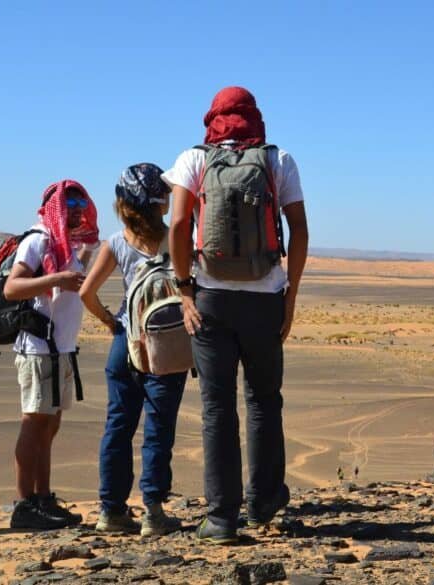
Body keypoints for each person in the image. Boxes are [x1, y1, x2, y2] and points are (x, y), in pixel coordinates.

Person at [166, 86, 309, 544]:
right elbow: (300, 229)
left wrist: (185, 291)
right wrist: (290, 295)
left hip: (210, 299)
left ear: (212, 117)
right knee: (264, 400)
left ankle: (222, 518)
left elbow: (177, 226)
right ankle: (264, 500)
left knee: (217, 408)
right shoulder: (278, 159)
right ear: (255, 117)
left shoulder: (194, 159)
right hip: (264, 296)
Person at [79, 164, 188, 536]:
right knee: (158, 429)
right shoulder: (176, 240)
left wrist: (113, 323)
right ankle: (153, 513)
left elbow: (85, 294)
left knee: (118, 426)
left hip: (124, 345)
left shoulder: (116, 243)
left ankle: (111, 511)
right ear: (160, 203)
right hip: (165, 345)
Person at [3, 180, 98, 529]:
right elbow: (13, 288)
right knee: (35, 421)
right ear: (53, 205)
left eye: (80, 200)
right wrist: (58, 277)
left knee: (50, 424)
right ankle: (24, 505)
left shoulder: (61, 243)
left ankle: (43, 499)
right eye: (68, 201)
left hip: (60, 350)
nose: (76, 207)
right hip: (39, 350)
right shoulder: (38, 240)